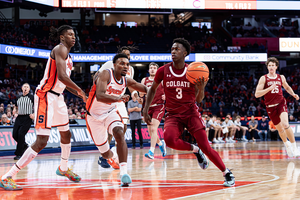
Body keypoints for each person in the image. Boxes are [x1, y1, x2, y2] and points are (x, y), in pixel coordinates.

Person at [0, 25, 87, 191]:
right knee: (41, 141)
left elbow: (64, 82)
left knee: (66, 133)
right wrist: (81, 90)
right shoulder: (59, 49)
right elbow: (61, 76)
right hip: (45, 96)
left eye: (74, 34)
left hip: (59, 97)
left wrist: (80, 95)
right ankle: (7, 176)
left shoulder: (69, 58)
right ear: (62, 37)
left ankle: (63, 167)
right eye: (69, 34)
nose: (73, 37)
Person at [143, 38, 235, 187]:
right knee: (169, 140)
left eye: (177, 49)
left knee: (206, 146)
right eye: (172, 49)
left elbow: (199, 99)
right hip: (173, 115)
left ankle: (226, 172)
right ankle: (195, 150)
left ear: (185, 53)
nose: (173, 51)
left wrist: (202, 87)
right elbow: (152, 89)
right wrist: (145, 109)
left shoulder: (192, 71)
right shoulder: (163, 70)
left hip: (191, 113)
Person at [85, 53, 148, 186]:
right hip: (93, 117)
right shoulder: (105, 74)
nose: (125, 66)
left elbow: (145, 89)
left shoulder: (127, 80)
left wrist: (159, 89)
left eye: (127, 64)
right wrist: (118, 98)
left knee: (119, 132)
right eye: (121, 63)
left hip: (110, 112)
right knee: (105, 154)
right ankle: (112, 154)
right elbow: (100, 95)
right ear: (114, 65)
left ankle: (124, 173)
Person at [95, 45, 138, 168]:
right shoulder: (109, 64)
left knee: (123, 128)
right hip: (108, 99)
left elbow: (130, 85)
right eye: (125, 54)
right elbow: (97, 76)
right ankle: (104, 156)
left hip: (120, 100)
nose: (128, 57)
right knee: (111, 129)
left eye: (129, 55)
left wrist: (134, 93)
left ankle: (113, 152)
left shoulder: (131, 69)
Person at [255, 57, 300, 157]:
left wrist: (293, 94)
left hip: (281, 103)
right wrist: (269, 88)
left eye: (272, 65)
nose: (271, 67)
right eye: (269, 65)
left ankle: (294, 147)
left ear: (276, 67)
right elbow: (257, 94)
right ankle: (287, 144)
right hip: (270, 107)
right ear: (267, 67)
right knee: (280, 129)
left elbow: (287, 87)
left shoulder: (281, 77)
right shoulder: (264, 78)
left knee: (285, 124)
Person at [140, 62, 167, 159]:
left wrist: (166, 95)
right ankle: (161, 143)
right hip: (148, 107)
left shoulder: (162, 80)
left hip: (158, 106)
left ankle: (151, 152)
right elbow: (141, 94)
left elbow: (170, 90)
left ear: (157, 70)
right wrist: (140, 94)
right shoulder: (144, 80)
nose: (152, 69)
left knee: (153, 129)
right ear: (148, 70)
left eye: (154, 68)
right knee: (151, 132)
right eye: (151, 67)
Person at [12, 83, 34, 160]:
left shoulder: (32, 97)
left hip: (27, 117)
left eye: (27, 87)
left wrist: (34, 114)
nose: (26, 88)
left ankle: (19, 154)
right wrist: (14, 110)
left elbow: (38, 106)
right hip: (19, 117)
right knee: (14, 135)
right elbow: (16, 106)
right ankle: (24, 145)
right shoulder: (18, 97)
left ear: (29, 89)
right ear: (22, 88)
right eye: (24, 86)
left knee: (21, 134)